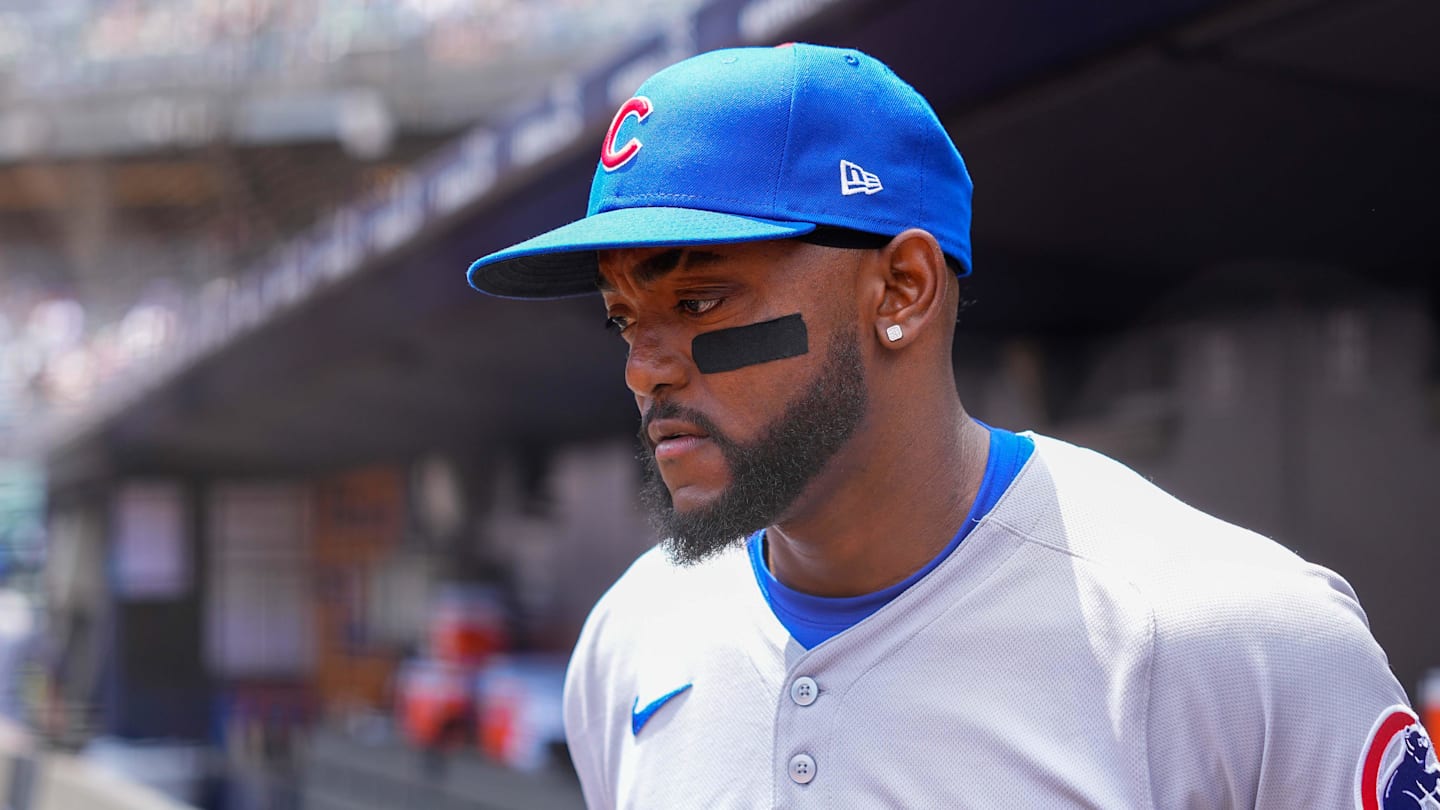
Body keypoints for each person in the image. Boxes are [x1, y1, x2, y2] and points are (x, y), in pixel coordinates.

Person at [467, 43, 1428, 809]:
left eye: (704, 301)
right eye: (625, 319)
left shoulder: (1224, 637)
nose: (646, 367)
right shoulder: (631, 638)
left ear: (904, 288)